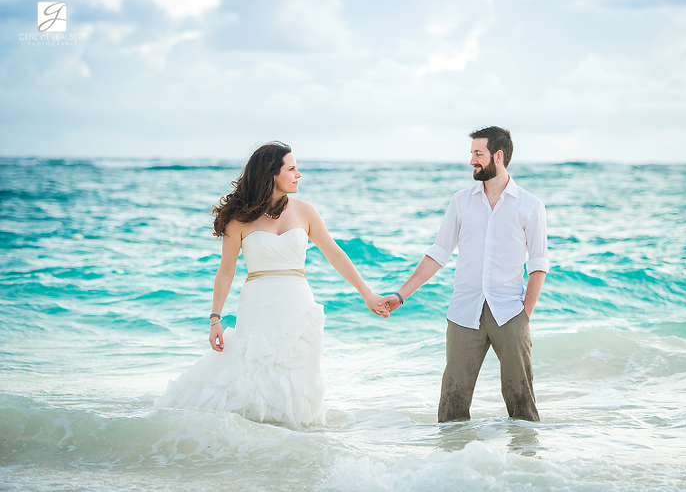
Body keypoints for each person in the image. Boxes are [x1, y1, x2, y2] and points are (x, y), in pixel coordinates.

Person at [154, 141, 389, 426]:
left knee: (296, 375)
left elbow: (336, 255)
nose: (298, 174)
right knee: (249, 372)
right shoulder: (239, 218)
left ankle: (290, 443)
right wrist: (215, 318)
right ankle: (244, 441)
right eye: (291, 168)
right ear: (272, 174)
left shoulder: (305, 211)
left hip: (297, 303)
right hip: (258, 303)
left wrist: (367, 293)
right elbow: (226, 271)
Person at [380, 126, 548, 422]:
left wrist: (525, 315)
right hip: (463, 311)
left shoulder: (530, 206)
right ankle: (452, 464)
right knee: (452, 403)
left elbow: (538, 264)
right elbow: (438, 254)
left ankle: (525, 464)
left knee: (521, 402)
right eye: (471, 153)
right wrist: (400, 295)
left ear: (498, 156)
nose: (471, 160)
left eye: (477, 154)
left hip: (509, 312)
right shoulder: (461, 201)